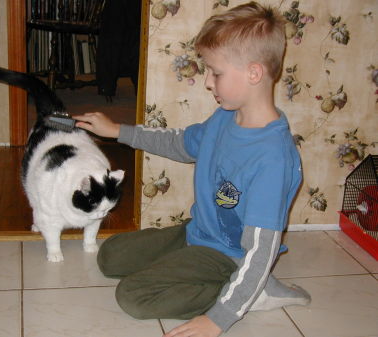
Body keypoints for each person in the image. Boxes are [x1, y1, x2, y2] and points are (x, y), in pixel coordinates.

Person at [74, 2, 310, 336]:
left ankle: (252, 292)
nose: (208, 83)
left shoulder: (274, 160)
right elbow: (180, 143)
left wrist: (218, 318)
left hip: (230, 255)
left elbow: (260, 250)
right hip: (198, 230)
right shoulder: (226, 117)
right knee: (110, 256)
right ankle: (191, 265)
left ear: (253, 73)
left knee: (133, 296)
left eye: (216, 73)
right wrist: (117, 131)